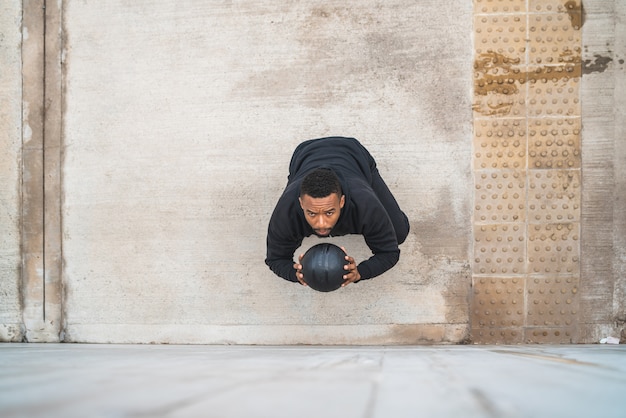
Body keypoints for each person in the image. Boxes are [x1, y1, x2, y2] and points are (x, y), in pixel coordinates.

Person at [265, 136, 410, 287]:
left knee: (398, 233)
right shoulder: (286, 210)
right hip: (305, 155)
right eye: (312, 214)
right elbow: (275, 259)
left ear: (342, 201)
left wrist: (361, 272)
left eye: (329, 212)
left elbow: (389, 253)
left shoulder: (364, 203)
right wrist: (294, 273)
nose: (321, 224)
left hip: (353, 154)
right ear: (301, 203)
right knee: (289, 230)